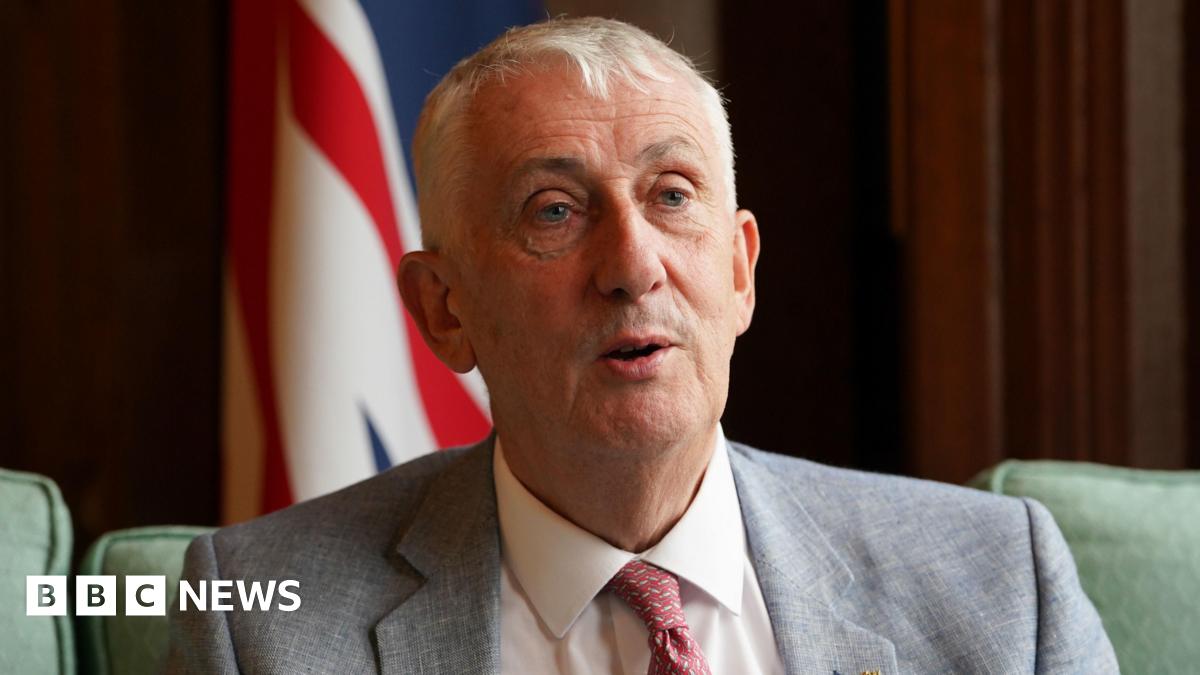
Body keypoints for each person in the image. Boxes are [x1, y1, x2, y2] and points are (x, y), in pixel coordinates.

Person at [166, 17, 1117, 674]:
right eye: (555, 210)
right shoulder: (259, 620)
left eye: (671, 195)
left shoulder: (997, 580)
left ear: (739, 272)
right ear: (444, 308)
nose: (632, 265)